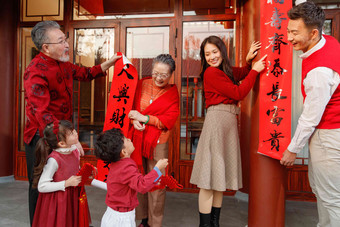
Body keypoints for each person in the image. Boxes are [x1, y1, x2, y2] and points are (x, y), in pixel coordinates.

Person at [23, 20, 120, 225]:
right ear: (46, 47)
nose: (67, 44)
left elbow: (85, 74)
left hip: (63, 135)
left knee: (65, 185)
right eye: (61, 41)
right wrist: (70, 140)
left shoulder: (63, 64)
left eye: (65, 39)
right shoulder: (35, 71)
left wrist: (110, 63)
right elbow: (43, 114)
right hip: (42, 137)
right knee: (41, 188)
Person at [189, 35, 267, 227]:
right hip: (217, 123)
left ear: (222, 51)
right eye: (207, 54)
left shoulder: (223, 71)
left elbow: (239, 73)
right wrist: (255, 72)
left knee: (218, 179)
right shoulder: (211, 73)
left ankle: (214, 224)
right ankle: (205, 225)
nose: (212, 57)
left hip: (226, 123)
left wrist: (249, 62)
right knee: (209, 180)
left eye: (215, 52)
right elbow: (238, 93)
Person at [281, 2, 340, 227]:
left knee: (331, 198)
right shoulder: (330, 42)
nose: (289, 37)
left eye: (295, 33)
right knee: (323, 191)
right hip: (330, 134)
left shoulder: (319, 71)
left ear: (314, 33)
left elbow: (311, 116)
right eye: (288, 31)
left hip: (328, 136)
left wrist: (292, 149)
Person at [127, 54, 180, 227]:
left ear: (171, 75)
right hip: (137, 138)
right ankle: (142, 219)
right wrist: (134, 120)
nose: (158, 78)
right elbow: (130, 108)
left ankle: (154, 223)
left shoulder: (172, 93)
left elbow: (168, 120)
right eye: (156, 73)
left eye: (163, 75)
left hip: (158, 143)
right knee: (139, 177)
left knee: (157, 182)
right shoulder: (142, 84)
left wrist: (144, 118)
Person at [94, 128, 168, 227]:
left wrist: (153, 182)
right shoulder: (126, 167)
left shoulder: (118, 164)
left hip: (115, 214)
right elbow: (142, 185)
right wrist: (157, 169)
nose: (129, 139)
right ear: (123, 152)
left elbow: (135, 182)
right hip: (121, 218)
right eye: (126, 139)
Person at [32, 120, 87, 227]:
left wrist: (87, 172)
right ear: (61, 143)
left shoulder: (75, 150)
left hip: (73, 196)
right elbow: (42, 186)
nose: (76, 133)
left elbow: (75, 170)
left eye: (74, 130)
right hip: (59, 201)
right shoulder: (54, 160)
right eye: (71, 133)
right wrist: (66, 183)